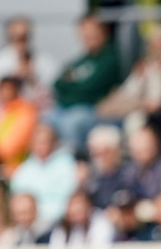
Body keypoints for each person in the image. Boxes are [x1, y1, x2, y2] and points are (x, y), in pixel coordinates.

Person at [46, 15, 123, 149]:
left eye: (92, 31)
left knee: (72, 122)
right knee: (47, 117)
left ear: (103, 31)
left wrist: (72, 85)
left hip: (96, 111)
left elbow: (90, 89)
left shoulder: (110, 58)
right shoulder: (81, 61)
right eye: (85, 33)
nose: (88, 36)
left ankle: (76, 157)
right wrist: (75, 87)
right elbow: (58, 84)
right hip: (68, 108)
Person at [0, 16, 58, 107]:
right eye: (17, 37)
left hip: (38, 112)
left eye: (24, 37)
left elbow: (55, 94)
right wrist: (12, 82)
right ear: (8, 37)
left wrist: (33, 80)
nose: (21, 42)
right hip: (6, 113)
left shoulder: (44, 62)